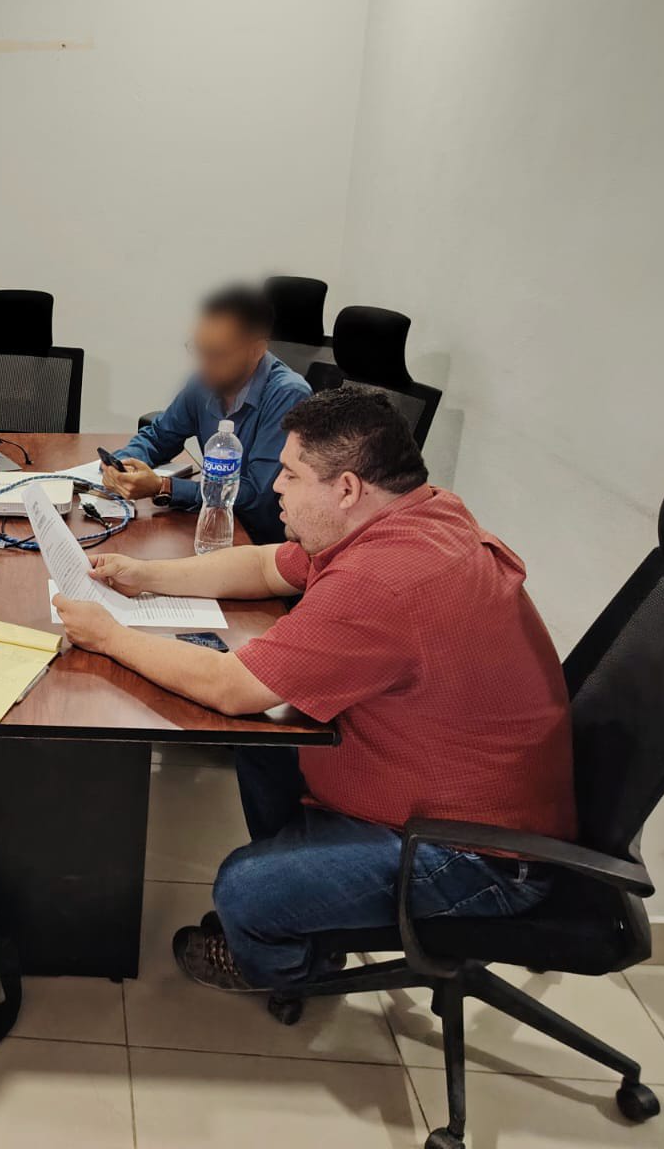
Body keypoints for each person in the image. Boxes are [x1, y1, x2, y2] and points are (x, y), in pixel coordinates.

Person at [54, 386, 575, 992]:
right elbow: (265, 565)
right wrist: (144, 575)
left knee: (245, 888)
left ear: (346, 488)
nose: (275, 486)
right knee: (263, 735)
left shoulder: (384, 581)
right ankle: (308, 905)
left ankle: (291, 969)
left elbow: (231, 687)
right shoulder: (416, 515)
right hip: (441, 786)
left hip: (479, 855)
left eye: (291, 475)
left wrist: (110, 636)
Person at [102, 284, 310, 543]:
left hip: (259, 542)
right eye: (200, 350)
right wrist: (122, 464)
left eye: (216, 354)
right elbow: (159, 436)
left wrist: (163, 487)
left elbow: (257, 494)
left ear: (256, 350)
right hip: (209, 523)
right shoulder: (206, 380)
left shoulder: (289, 395)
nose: (204, 364)